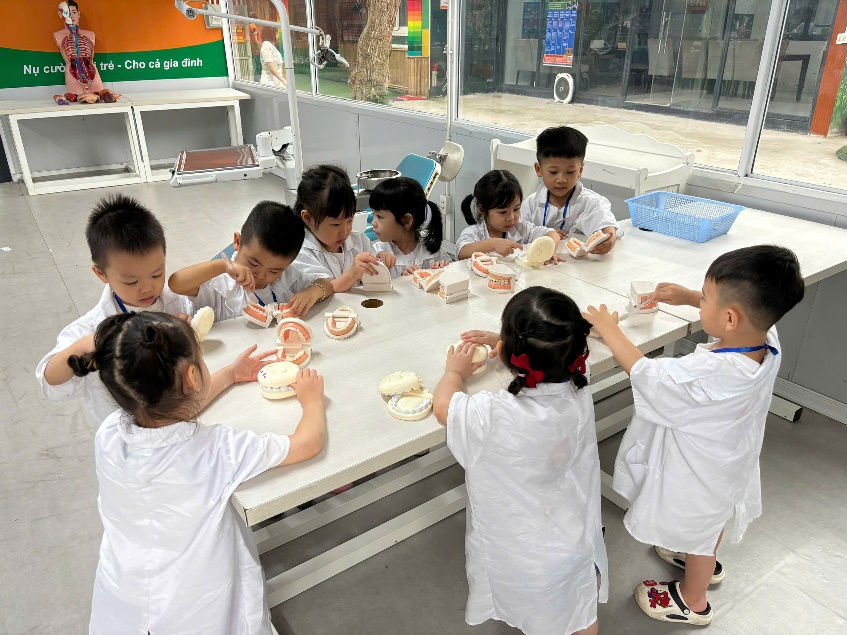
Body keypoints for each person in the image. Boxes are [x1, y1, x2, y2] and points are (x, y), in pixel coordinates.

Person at [584, 245, 805, 626]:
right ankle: (697, 559)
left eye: (704, 299)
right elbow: (741, 316)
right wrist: (688, 297)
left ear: (730, 318)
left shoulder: (712, 373)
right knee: (709, 522)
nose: (699, 303)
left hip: (703, 472)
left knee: (702, 529)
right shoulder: (767, 338)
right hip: (731, 459)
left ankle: (693, 599)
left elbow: (649, 375)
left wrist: (609, 329)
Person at [69, 311, 326, 634]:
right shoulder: (216, 449)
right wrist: (312, 401)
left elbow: (167, 411)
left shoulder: (108, 433)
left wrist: (230, 374)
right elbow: (307, 443)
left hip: (124, 599)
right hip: (196, 609)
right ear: (192, 376)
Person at [433, 286, 608, 635]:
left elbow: (444, 408)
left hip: (525, 551)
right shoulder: (579, 383)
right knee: (578, 603)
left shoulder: (493, 413)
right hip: (576, 531)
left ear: (507, 353)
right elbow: (553, 356)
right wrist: (506, 343)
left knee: (540, 614)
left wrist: (454, 372)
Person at [36, 195, 195, 425]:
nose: (148, 288)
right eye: (132, 282)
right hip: (125, 435)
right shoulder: (90, 326)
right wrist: (85, 345)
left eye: (157, 274)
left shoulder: (174, 302)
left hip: (179, 419)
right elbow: (50, 381)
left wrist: (185, 331)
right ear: (101, 273)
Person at [168, 200, 333, 320]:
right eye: (253, 263)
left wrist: (313, 292)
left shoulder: (286, 277)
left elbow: (326, 283)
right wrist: (223, 266)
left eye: (274, 271)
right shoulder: (219, 282)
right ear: (237, 241)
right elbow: (176, 283)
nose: (261, 275)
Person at [293, 165, 396, 291]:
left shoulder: (359, 241)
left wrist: (380, 261)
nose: (345, 231)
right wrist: (352, 274)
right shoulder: (301, 254)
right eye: (336, 224)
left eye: (350, 220)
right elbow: (321, 291)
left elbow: (376, 278)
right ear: (308, 218)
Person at [521, 126, 620, 252]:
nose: (561, 179)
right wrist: (545, 234)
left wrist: (609, 238)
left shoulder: (590, 202)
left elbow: (606, 224)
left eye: (570, 172)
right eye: (553, 172)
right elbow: (519, 232)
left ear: (580, 170)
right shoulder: (530, 204)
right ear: (539, 169)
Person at [455, 169, 562, 260]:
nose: (511, 218)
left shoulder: (521, 228)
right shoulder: (474, 233)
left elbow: (552, 234)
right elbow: (462, 252)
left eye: (516, 209)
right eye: (503, 212)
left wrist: (549, 250)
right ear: (482, 209)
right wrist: (493, 244)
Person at [370, 176, 450, 276]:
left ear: (406, 221)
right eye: (373, 214)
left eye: (379, 216)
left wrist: (441, 269)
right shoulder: (377, 253)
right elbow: (369, 283)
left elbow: (450, 276)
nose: (373, 223)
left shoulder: (430, 249)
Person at [248, 13, 262, 82]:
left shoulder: (248, 26)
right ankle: (257, 81)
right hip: (257, 51)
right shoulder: (253, 27)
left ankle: (256, 80)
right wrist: (260, 50)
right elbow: (255, 40)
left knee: (257, 66)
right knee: (259, 66)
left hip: (254, 49)